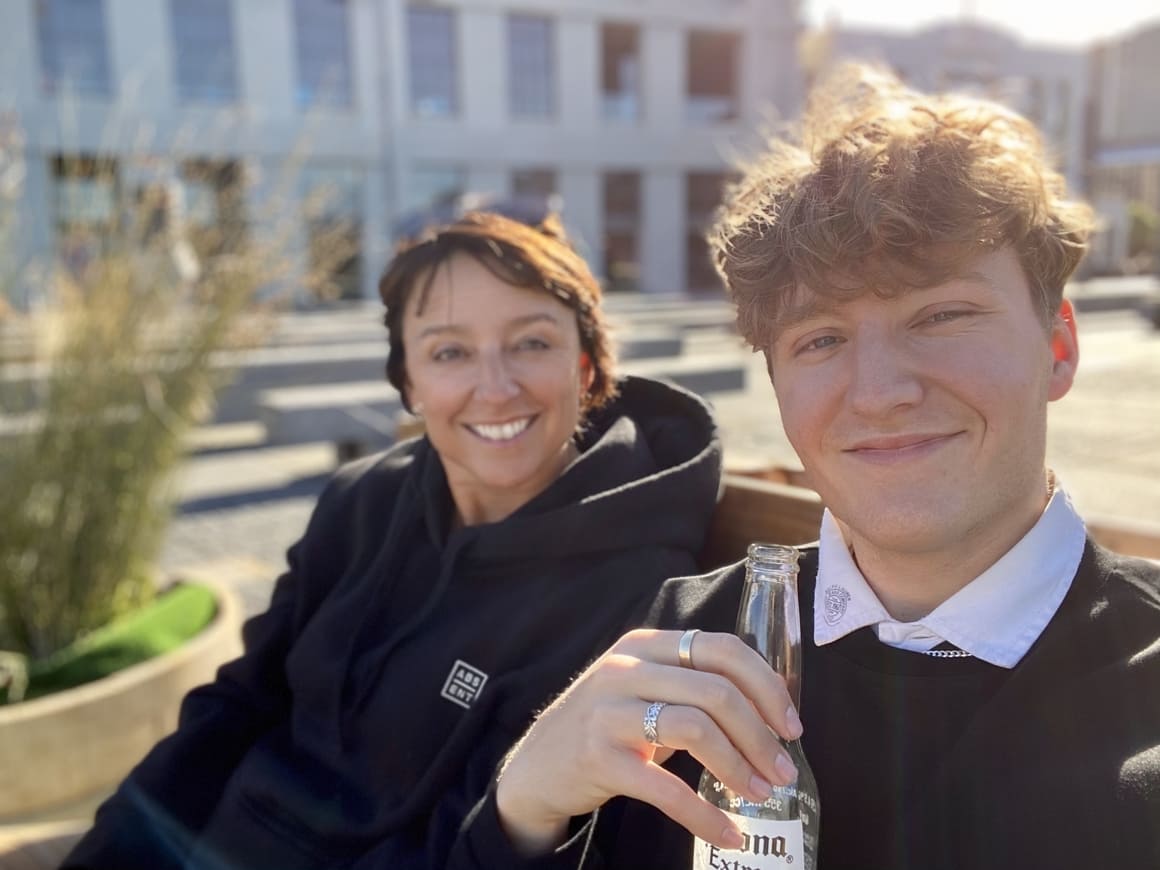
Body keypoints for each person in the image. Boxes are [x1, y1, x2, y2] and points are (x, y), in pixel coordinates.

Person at [450, 65, 1160, 869]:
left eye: (942, 315)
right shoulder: (692, 639)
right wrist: (524, 808)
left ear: (1058, 348)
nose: (882, 392)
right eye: (820, 339)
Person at [62, 211, 724, 869]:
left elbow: (505, 834)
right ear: (408, 380)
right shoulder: (362, 500)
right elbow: (233, 711)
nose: (495, 388)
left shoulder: (633, 592)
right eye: (449, 352)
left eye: (531, 343)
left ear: (585, 368)